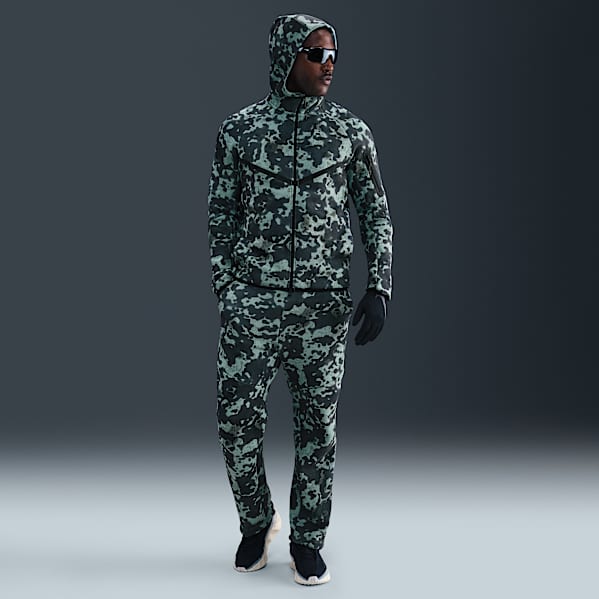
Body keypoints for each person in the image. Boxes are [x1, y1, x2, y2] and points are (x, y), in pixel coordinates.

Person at [207, 13, 394, 586]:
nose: (328, 65)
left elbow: (375, 212)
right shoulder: (240, 131)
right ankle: (256, 522)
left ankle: (308, 541)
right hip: (253, 305)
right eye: (316, 54)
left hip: (323, 308)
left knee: (318, 428)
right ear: (286, 56)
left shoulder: (349, 132)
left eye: (333, 55)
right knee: (235, 421)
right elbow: (221, 213)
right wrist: (227, 289)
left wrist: (379, 286)